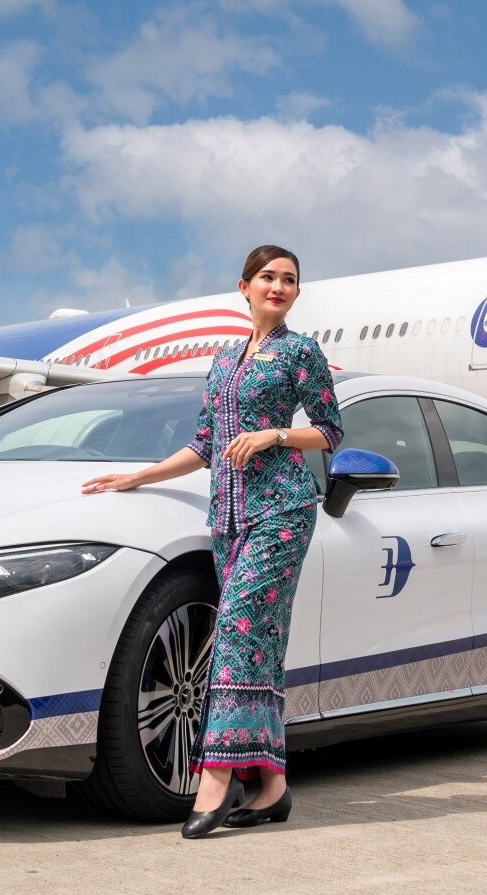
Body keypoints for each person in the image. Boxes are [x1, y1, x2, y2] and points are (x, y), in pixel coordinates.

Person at [81, 244, 342, 838]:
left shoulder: (300, 352)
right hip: (228, 518)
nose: (279, 287)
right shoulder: (224, 361)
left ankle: (216, 780)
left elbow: (328, 432)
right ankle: (272, 785)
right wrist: (136, 476)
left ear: (296, 294)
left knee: (232, 634)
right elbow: (203, 444)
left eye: (290, 280)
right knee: (261, 646)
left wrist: (274, 435)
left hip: (283, 511)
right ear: (244, 286)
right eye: (268, 278)